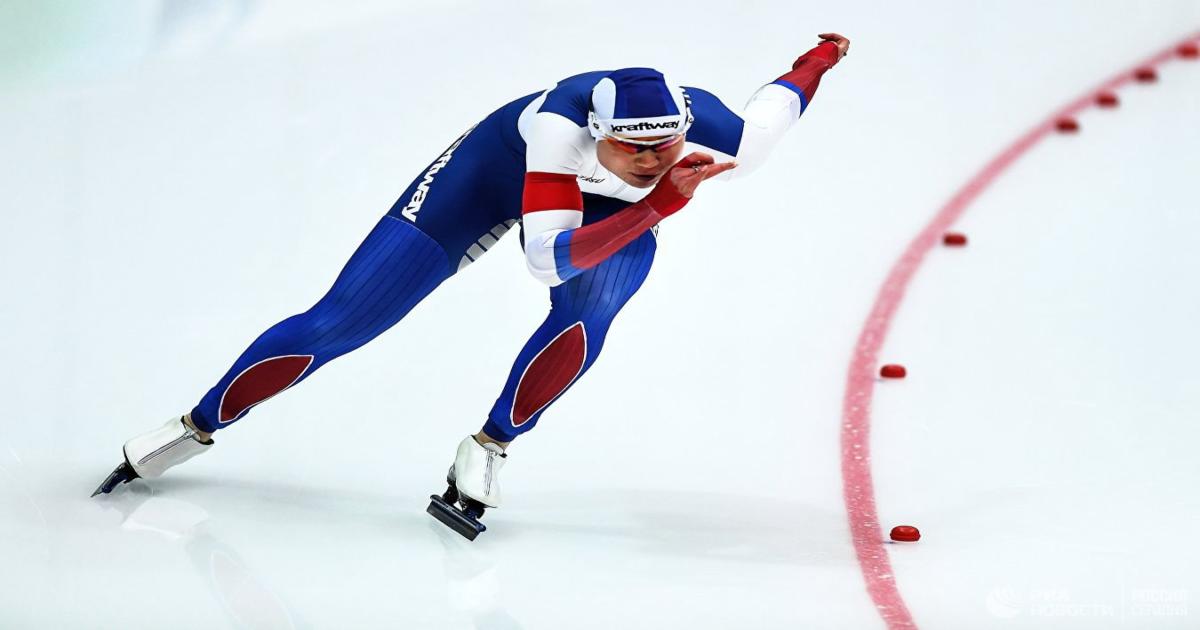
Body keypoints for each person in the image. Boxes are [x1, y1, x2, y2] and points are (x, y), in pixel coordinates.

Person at [94, 33, 851, 538]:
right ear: (599, 132)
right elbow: (546, 260)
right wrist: (656, 206)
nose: (655, 160)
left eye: (666, 146)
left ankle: (490, 446)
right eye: (634, 150)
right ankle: (192, 426)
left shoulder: (722, 140)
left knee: (591, 312)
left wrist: (819, 56)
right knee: (342, 321)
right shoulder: (558, 130)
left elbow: (781, 101)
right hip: (488, 177)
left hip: (596, 211)